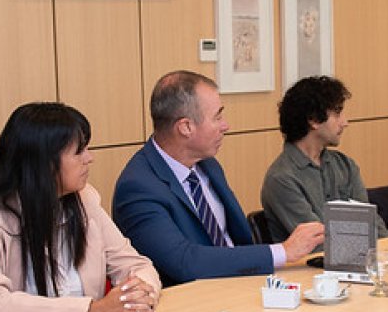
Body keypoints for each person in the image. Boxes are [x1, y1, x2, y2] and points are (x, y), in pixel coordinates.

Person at [0, 103, 161, 312]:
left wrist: (136, 295)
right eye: (79, 151)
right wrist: (92, 311)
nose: (89, 158)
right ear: (43, 162)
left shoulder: (85, 200)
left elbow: (136, 265)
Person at [112, 71, 324, 286]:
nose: (225, 126)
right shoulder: (138, 187)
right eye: (217, 117)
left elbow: (236, 242)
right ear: (185, 127)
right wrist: (283, 251)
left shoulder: (207, 164)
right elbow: (184, 262)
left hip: (241, 286)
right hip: (194, 302)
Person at [261, 75, 388, 246]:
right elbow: (318, 243)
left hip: (360, 263)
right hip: (311, 269)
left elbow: (372, 225)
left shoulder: (345, 165)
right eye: (337, 114)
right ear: (313, 120)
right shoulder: (282, 178)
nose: (345, 122)